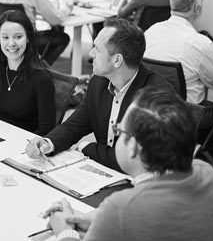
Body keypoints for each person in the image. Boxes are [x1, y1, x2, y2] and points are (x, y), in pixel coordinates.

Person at [43, 88, 213, 241]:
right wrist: (98, 219)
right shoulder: (205, 172)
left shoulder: (123, 208)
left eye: (119, 131)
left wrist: (64, 232)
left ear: (133, 146)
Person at [26, 18, 170, 171]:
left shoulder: (156, 97)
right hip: (104, 171)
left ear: (117, 60)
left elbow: (134, 160)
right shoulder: (99, 81)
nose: (90, 53)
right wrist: (47, 143)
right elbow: (75, 125)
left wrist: (86, 147)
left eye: (97, 49)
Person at [0, 10, 55, 136]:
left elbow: (46, 129)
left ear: (28, 38)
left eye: (18, 37)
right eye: (5, 37)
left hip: (27, 142)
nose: (11, 43)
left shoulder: (41, 78)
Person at [145, 0, 213, 104]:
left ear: (172, 4)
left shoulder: (150, 32)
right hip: (188, 112)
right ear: (197, 8)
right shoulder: (201, 44)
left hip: (151, 108)